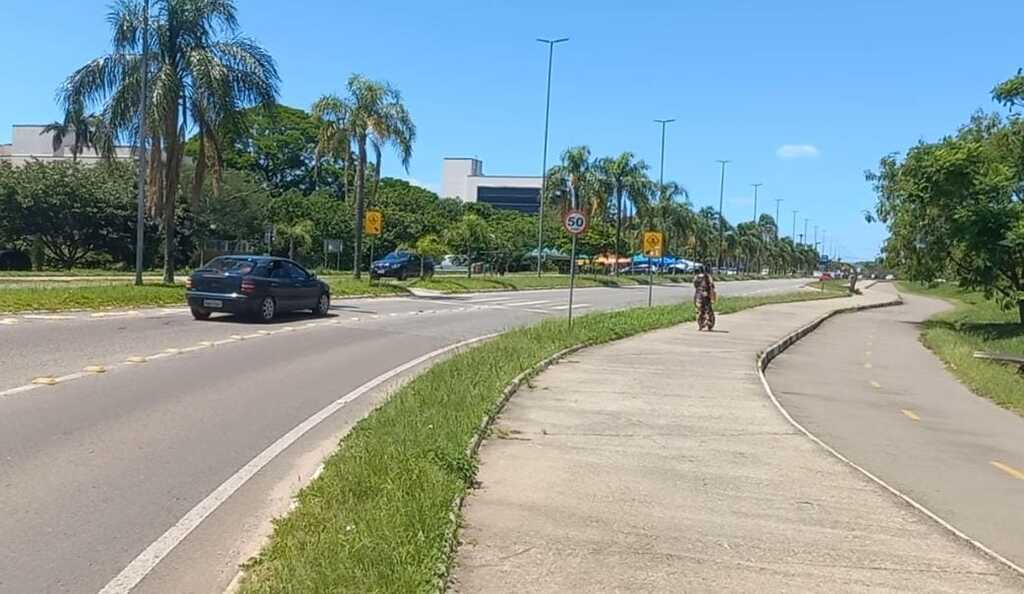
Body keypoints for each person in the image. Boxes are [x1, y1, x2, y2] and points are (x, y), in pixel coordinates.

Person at [693, 265, 717, 331]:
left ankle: (700, 324)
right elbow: (712, 286)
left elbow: (695, 286)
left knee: (699, 310)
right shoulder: (708, 277)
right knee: (708, 310)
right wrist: (713, 295)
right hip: (706, 296)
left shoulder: (696, 277)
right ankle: (709, 324)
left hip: (698, 296)